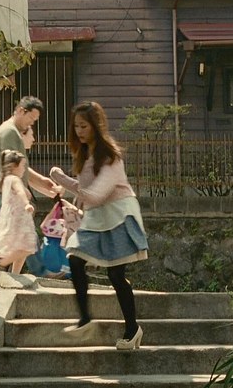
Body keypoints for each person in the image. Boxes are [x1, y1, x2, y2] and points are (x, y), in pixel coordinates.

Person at [49, 101, 149, 350]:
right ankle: (85, 319)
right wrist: (64, 181)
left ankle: (132, 330)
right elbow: (87, 193)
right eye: (76, 126)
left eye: (84, 126)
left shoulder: (111, 156)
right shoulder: (84, 155)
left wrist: (64, 181)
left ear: (96, 125)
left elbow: (95, 195)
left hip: (118, 214)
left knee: (116, 274)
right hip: (96, 217)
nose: (79, 131)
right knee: (75, 259)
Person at [0, 97, 64, 276]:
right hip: (11, 194)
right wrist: (22, 189)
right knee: (25, 236)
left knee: (20, 236)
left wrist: (42, 182)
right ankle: (32, 269)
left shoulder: (13, 132)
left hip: (10, 193)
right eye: (31, 118)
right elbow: (12, 166)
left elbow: (22, 168)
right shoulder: (9, 132)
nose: (31, 123)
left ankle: (11, 271)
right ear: (21, 111)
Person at [0, 150, 38, 274]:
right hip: (18, 220)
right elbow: (20, 192)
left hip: (13, 218)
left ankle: (15, 273)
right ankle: (0, 263)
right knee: (26, 247)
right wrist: (26, 204)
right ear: (14, 166)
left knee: (22, 247)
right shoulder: (14, 179)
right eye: (22, 165)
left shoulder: (6, 180)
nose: (24, 169)